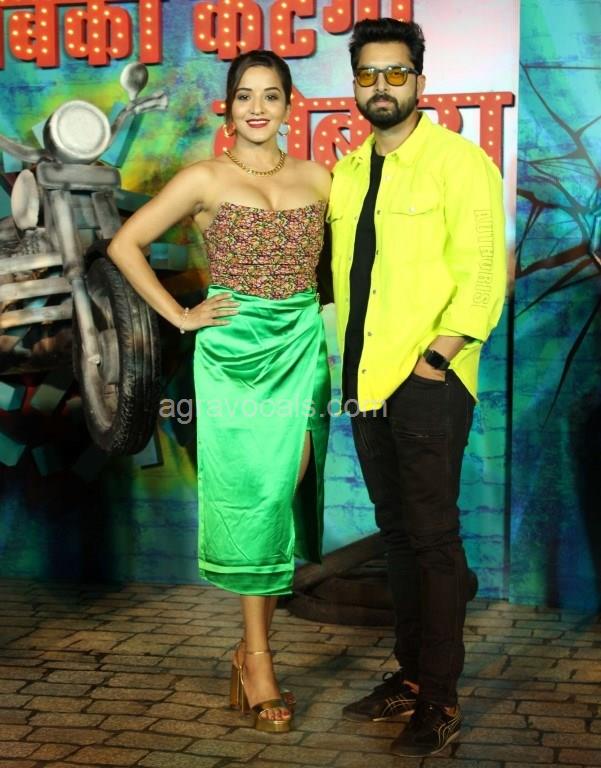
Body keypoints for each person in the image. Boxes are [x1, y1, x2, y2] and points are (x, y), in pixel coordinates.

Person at [107, 50, 331, 734]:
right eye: (245, 96)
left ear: (289, 104)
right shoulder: (203, 177)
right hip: (234, 356)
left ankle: (248, 651)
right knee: (255, 496)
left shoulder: (320, 179)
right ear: (228, 107)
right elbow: (124, 245)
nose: (257, 108)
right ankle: (257, 659)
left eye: (270, 95)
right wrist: (180, 316)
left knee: (279, 490)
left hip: (299, 347)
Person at [328, 18, 506, 757]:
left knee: (431, 539)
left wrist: (437, 358)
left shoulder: (459, 164)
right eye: (368, 74)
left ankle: (439, 699)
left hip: (427, 381)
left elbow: (485, 272)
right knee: (397, 535)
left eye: (395, 73)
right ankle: (408, 677)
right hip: (364, 380)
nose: (382, 86)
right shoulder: (345, 173)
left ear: (420, 83)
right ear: (355, 85)